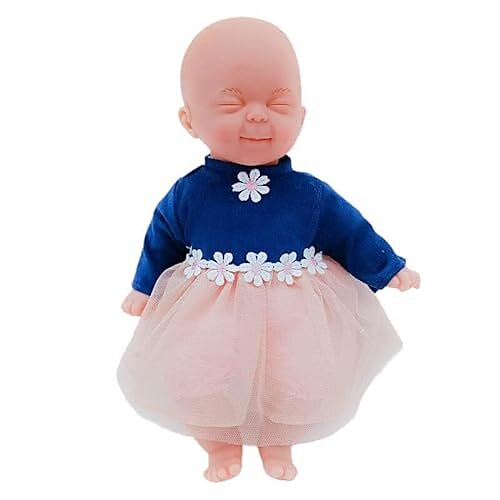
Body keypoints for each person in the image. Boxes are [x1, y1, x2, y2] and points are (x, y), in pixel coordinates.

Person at [117, 16, 420, 482]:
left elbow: (349, 231)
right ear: (189, 120)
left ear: (301, 115)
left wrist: (386, 266)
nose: (258, 116)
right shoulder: (189, 193)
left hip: (292, 313)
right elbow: (162, 238)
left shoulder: (309, 194)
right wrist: (143, 287)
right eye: (232, 103)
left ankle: (278, 440)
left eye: (279, 103)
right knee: (204, 377)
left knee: (290, 377)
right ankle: (219, 443)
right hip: (209, 314)